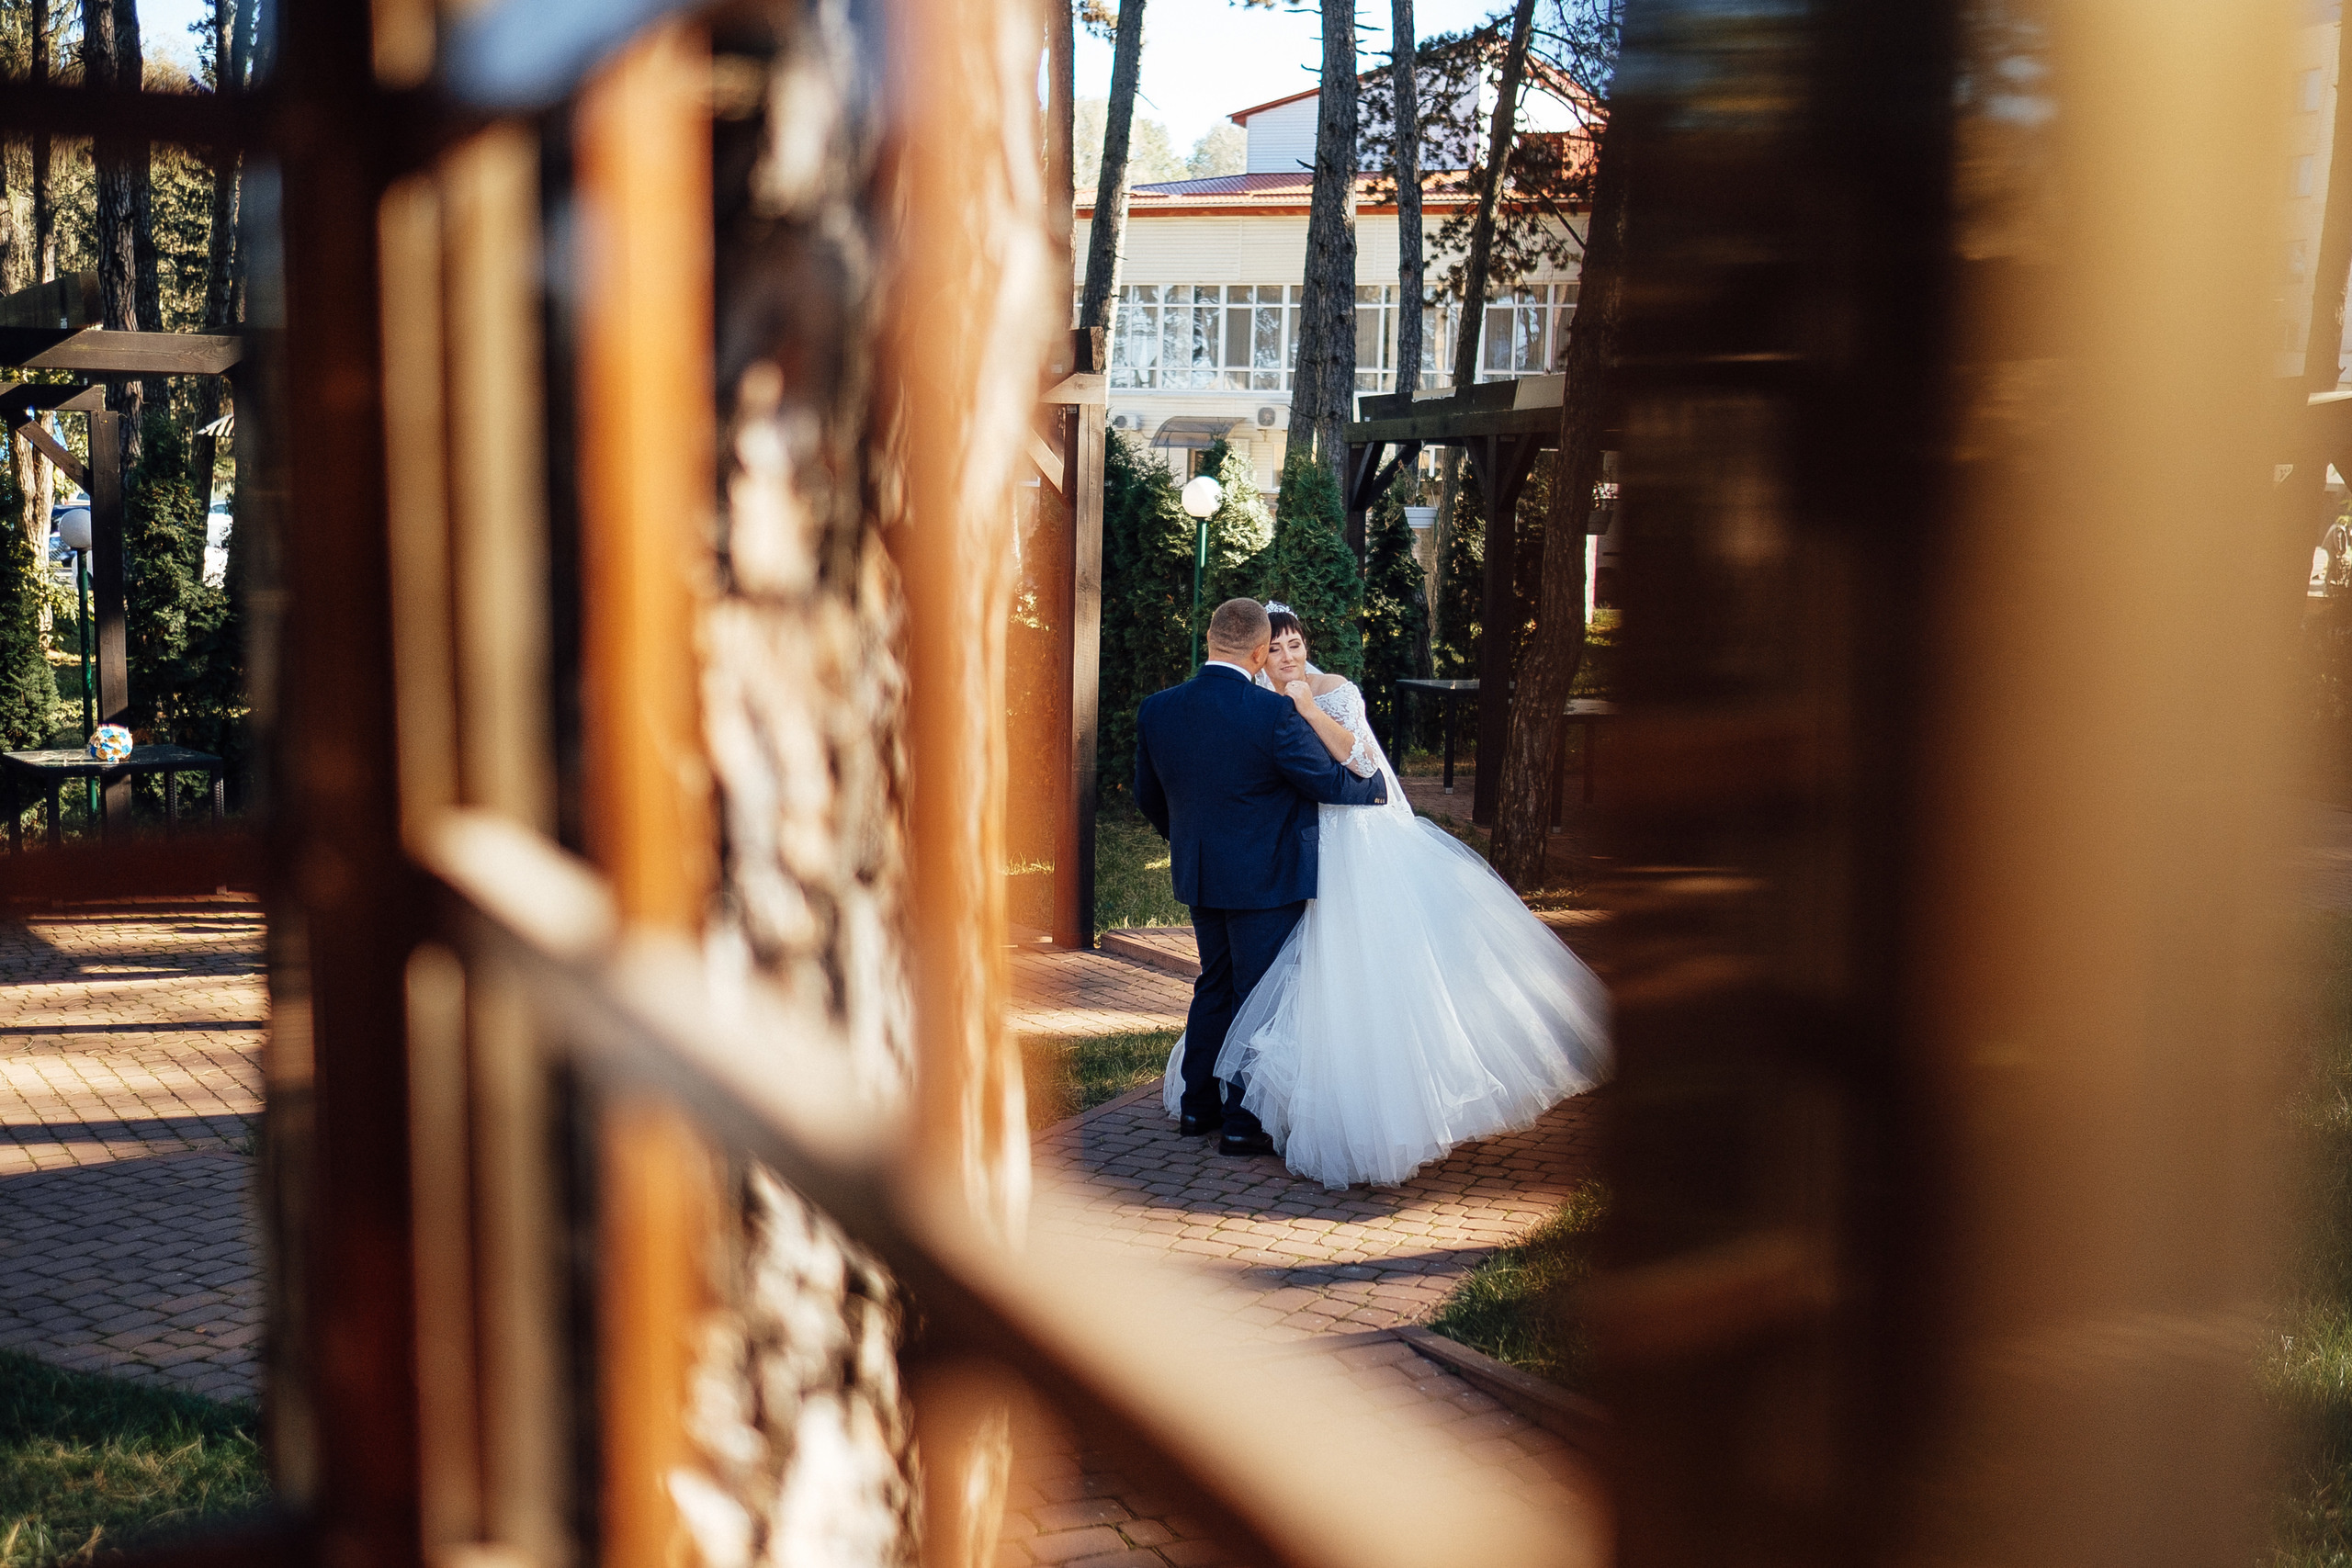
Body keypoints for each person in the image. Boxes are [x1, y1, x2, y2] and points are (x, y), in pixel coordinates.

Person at [1158, 603, 1610, 1189]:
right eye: (1276, 648)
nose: (1288, 657)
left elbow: (1362, 763)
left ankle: (1244, 1108)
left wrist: (1308, 709)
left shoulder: (1325, 692)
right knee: (1269, 980)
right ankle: (1247, 1111)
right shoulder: (1255, 706)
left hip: (1337, 842)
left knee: (1297, 974)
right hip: (1288, 851)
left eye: (1296, 645)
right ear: (1256, 654)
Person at [1134, 597, 1392, 1156]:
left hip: (1201, 877)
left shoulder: (1157, 709)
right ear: (1258, 651)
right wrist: (1371, 789)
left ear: (1209, 639)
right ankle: (1241, 1121)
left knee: (1216, 983)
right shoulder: (1270, 714)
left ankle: (1196, 1105)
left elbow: (1148, 797)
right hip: (1266, 879)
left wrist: (1190, 842)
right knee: (1259, 995)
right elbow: (1323, 782)